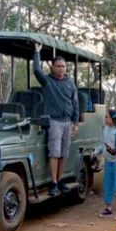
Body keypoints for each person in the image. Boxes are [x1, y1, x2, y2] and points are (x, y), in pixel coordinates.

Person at [33, 43, 79, 197]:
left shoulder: (70, 82)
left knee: (64, 153)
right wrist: (37, 52)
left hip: (67, 121)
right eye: (58, 66)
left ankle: (59, 180)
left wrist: (75, 123)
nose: (61, 69)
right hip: (54, 121)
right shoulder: (47, 81)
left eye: (63, 66)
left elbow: (75, 102)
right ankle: (53, 183)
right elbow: (36, 71)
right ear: (52, 67)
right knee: (55, 152)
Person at [97, 109, 116, 219]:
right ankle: (108, 208)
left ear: (113, 119)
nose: (105, 119)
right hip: (108, 161)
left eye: (107, 117)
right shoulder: (105, 129)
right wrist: (97, 151)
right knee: (108, 185)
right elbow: (103, 144)